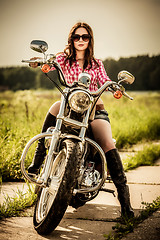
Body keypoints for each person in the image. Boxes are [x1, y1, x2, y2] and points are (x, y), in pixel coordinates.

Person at [28, 22, 134, 218]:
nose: (81, 40)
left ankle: (125, 202)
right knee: (54, 109)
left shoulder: (96, 63)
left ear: (90, 40)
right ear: (72, 39)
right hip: (69, 104)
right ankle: (37, 162)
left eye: (85, 37)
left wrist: (114, 87)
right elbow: (51, 62)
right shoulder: (63, 58)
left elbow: (104, 79)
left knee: (108, 143)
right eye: (77, 37)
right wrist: (39, 61)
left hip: (94, 108)